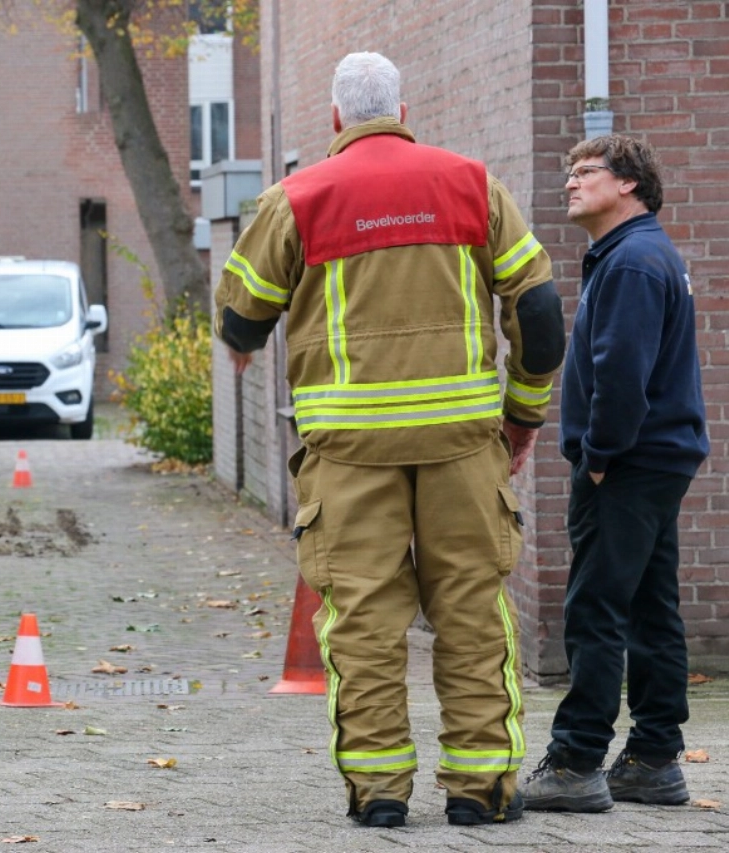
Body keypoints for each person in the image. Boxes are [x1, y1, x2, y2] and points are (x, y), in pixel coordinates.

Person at [214, 52, 565, 828]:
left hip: (347, 453)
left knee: (365, 624)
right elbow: (540, 315)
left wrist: (248, 338)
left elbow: (240, 319)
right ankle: (481, 789)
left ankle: (379, 792)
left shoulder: (295, 200)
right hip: (464, 445)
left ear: (337, 119)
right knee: (473, 612)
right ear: (402, 110)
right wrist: (523, 416)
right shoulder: (473, 185)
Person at [519, 136, 709, 812]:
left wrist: (599, 455)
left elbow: (621, 374)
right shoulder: (642, 253)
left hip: (626, 463)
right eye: (569, 172)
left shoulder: (630, 263)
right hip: (660, 458)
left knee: (596, 606)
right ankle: (655, 758)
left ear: (628, 183)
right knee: (651, 606)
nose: (571, 182)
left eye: (586, 172)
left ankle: (575, 762)